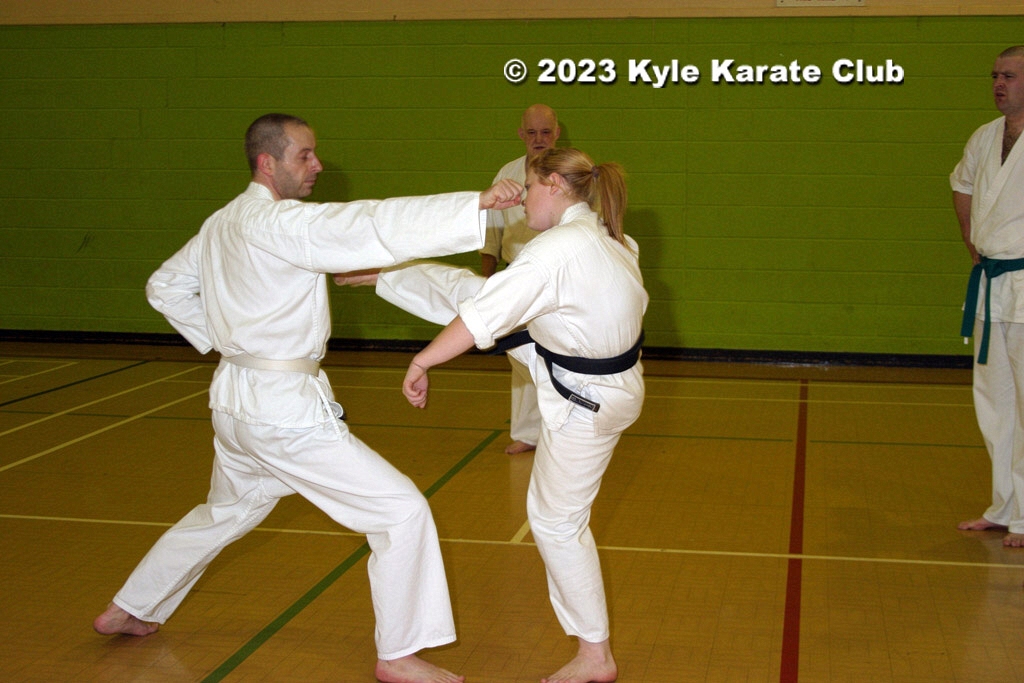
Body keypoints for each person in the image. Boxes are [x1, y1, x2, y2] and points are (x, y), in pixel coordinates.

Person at [92, 113, 523, 683]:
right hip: (281, 413)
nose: (318, 165)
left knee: (225, 512)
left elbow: (164, 287)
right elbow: (369, 223)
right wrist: (474, 205)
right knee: (400, 511)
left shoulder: (222, 222)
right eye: (305, 156)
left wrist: (231, 342)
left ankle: (130, 607)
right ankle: (398, 654)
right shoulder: (278, 222)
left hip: (235, 404)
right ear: (267, 162)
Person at [345, 147, 647, 683]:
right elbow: (486, 300)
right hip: (595, 374)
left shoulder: (556, 251)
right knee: (480, 293)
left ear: (554, 185)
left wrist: (422, 360)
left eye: (528, 188)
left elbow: (479, 320)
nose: (523, 199)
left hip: (585, 396)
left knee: (556, 523)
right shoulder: (612, 237)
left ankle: (595, 657)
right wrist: (391, 276)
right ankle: (384, 275)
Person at [953, 46, 1024, 548]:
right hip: (991, 282)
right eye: (995, 75)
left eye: (1010, 76)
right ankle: (1004, 506)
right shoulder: (983, 136)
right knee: (994, 399)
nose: (999, 84)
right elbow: (961, 185)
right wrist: (970, 238)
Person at [481, 104, 561, 455]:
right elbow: (491, 234)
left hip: (557, 276)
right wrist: (487, 282)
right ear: (521, 134)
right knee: (519, 353)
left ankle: (560, 428)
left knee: (555, 353)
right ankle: (528, 432)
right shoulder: (508, 174)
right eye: (531, 132)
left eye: (545, 132)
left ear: (556, 133)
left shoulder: (570, 171)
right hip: (516, 273)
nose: (538, 139)